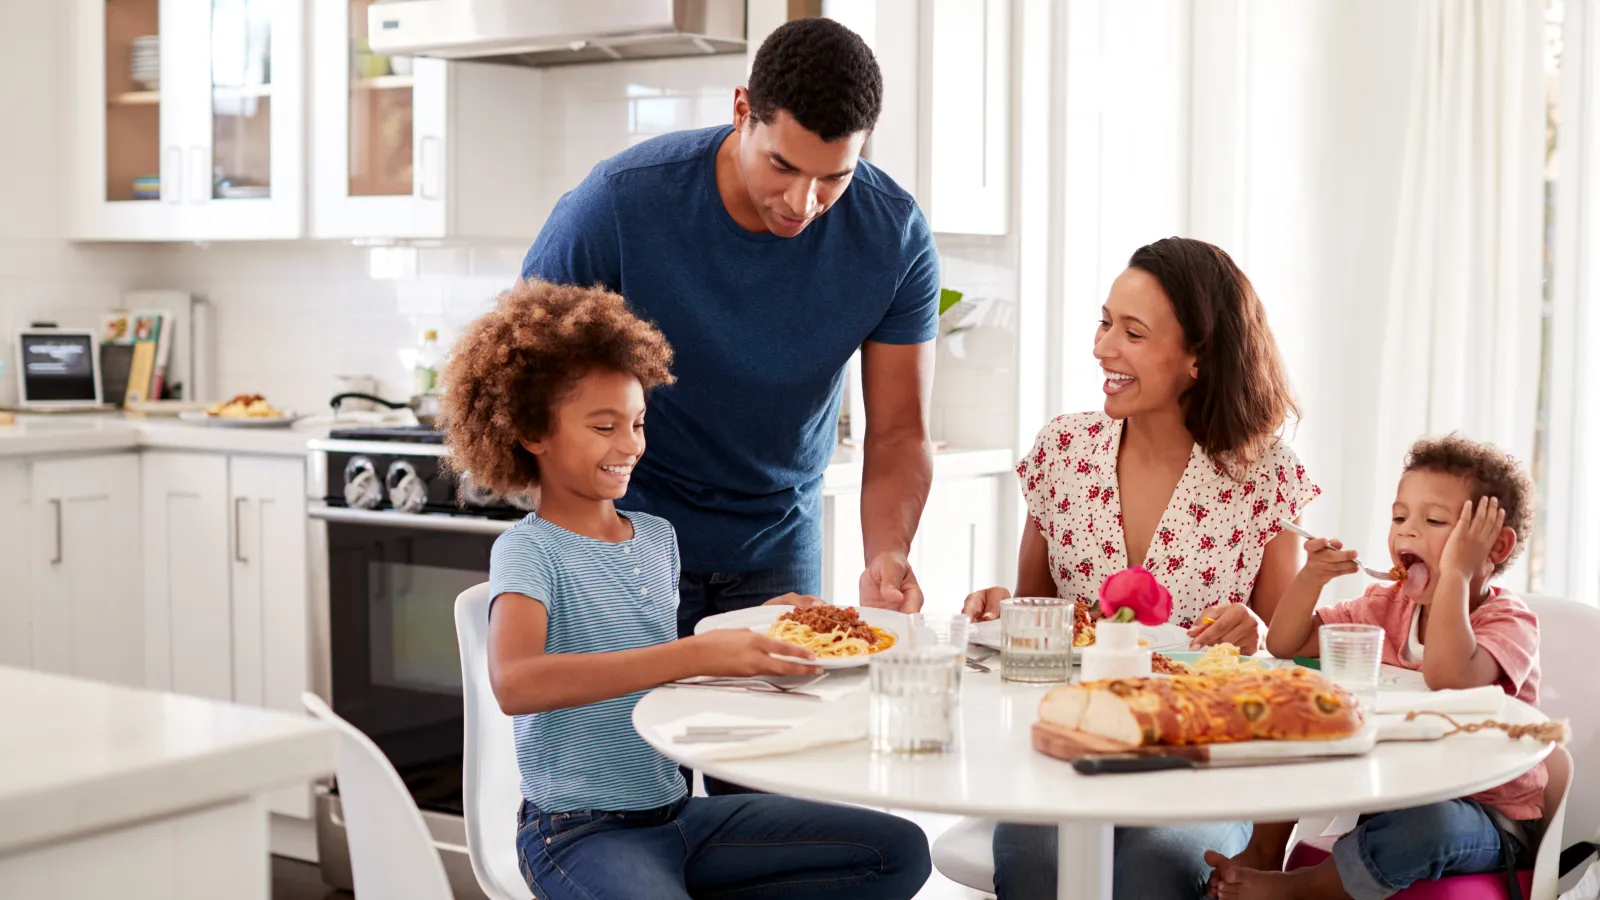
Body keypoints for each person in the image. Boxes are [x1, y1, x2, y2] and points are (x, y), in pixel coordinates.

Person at [438, 280, 932, 900]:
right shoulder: (528, 549)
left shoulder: (655, 538)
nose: (630, 445)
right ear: (532, 433)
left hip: (681, 820)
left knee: (896, 851)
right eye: (603, 426)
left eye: (638, 423)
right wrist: (693, 654)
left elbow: (657, 672)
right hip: (577, 835)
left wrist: (764, 623)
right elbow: (516, 684)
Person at [521, 18, 940, 640]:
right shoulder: (619, 203)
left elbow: (900, 433)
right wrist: (583, 543)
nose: (804, 203)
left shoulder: (893, 236)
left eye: (834, 177)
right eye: (783, 165)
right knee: (626, 732)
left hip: (777, 539)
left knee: (772, 734)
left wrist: (887, 552)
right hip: (624, 525)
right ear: (742, 110)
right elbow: (524, 370)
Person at [965, 237, 1318, 898]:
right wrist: (1000, 609)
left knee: (1157, 863)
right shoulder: (1064, 450)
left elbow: (1291, 663)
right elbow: (1037, 626)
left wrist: (1257, 635)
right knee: (1041, 856)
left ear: (1198, 358)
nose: (1103, 348)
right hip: (1074, 749)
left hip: (1205, 766)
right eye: (1104, 323)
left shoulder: (1265, 475)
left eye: (1132, 332)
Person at [1206, 435, 1543, 900]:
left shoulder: (1508, 622)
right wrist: (1314, 576)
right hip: (1393, 793)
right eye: (1399, 516)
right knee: (1297, 723)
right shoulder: (1388, 604)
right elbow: (1286, 642)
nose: (1406, 532)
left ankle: (1298, 888)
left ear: (1496, 547)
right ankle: (1265, 849)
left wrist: (1459, 573)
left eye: (1435, 521)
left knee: (1431, 824)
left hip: (1481, 817)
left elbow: (1448, 676)